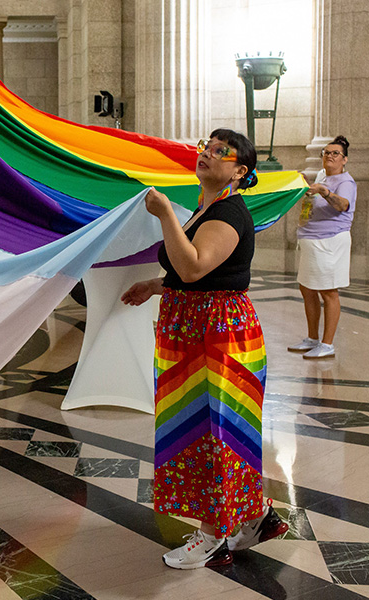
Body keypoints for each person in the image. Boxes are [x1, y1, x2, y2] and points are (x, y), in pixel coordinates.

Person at [121, 129, 288, 569]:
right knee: (206, 428)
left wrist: (162, 215)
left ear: (240, 171)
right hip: (196, 329)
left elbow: (194, 268)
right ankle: (256, 517)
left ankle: (212, 537)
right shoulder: (205, 209)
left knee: (214, 431)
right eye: (206, 148)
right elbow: (198, 272)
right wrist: (156, 286)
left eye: (221, 152)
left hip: (217, 335)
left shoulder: (229, 213)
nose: (207, 155)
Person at [287, 135, 356, 359]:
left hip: (330, 241)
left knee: (328, 291)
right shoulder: (322, 176)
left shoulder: (346, 182)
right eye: (326, 152)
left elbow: (342, 205)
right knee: (307, 288)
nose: (329, 156)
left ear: (344, 159)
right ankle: (312, 338)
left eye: (335, 153)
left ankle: (327, 344)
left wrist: (325, 192)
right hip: (311, 239)